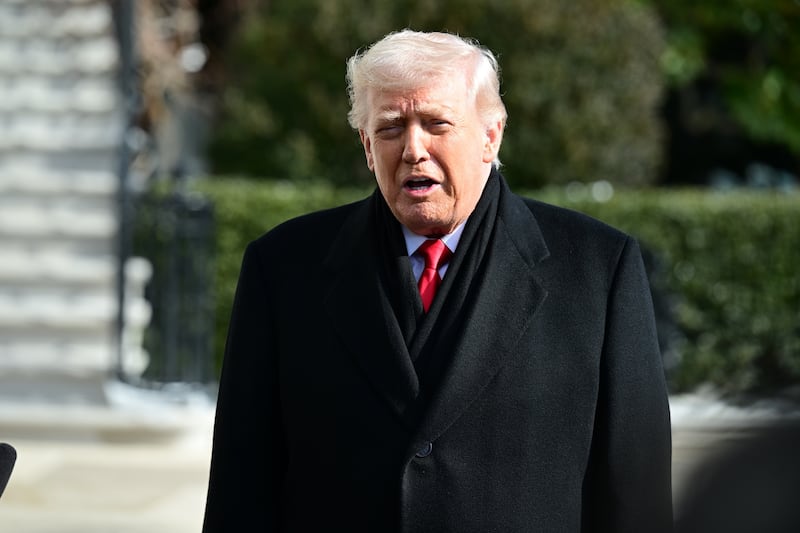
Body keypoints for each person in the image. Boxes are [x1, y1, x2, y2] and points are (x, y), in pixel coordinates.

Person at [202, 29, 673, 532]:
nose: (413, 149)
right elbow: (241, 485)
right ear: (366, 146)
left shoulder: (598, 269)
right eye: (390, 128)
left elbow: (633, 492)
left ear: (490, 136)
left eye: (436, 124)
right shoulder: (283, 268)